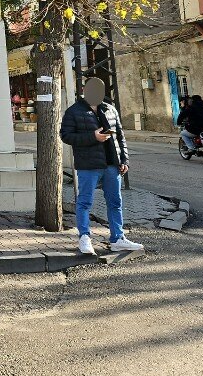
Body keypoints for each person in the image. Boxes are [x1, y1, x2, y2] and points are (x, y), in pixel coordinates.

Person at [60, 77, 144, 255]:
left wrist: (124, 160)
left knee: (115, 202)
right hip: (88, 165)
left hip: (111, 165)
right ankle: (84, 238)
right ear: (84, 90)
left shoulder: (110, 109)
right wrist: (93, 137)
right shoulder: (74, 111)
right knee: (84, 202)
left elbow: (120, 137)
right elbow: (66, 136)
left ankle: (118, 238)